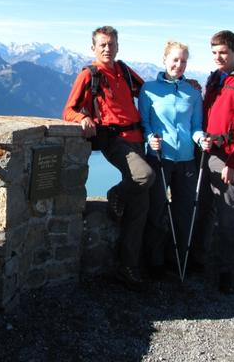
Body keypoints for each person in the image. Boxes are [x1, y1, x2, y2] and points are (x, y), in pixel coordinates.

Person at [63, 25, 155, 291]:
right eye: (102, 44)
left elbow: (148, 92)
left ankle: (128, 267)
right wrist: (83, 117)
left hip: (139, 140)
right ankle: (116, 193)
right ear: (93, 48)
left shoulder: (124, 71)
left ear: (117, 46)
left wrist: (185, 85)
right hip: (115, 141)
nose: (107, 48)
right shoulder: (89, 74)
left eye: (111, 44)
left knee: (140, 209)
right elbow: (68, 109)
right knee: (144, 176)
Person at [192, 29, 234, 294]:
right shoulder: (214, 79)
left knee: (228, 215)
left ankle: (227, 272)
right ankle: (198, 259)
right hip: (207, 153)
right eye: (214, 53)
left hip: (228, 158)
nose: (218, 57)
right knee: (204, 210)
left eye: (223, 52)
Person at [138, 40, 204, 279]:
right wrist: (149, 139)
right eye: (175, 59)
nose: (179, 64)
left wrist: (201, 139)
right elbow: (144, 123)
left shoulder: (193, 92)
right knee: (156, 210)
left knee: (184, 211)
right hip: (159, 157)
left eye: (183, 61)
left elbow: (196, 126)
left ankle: (177, 259)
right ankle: (154, 262)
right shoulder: (148, 89)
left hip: (186, 159)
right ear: (164, 59)